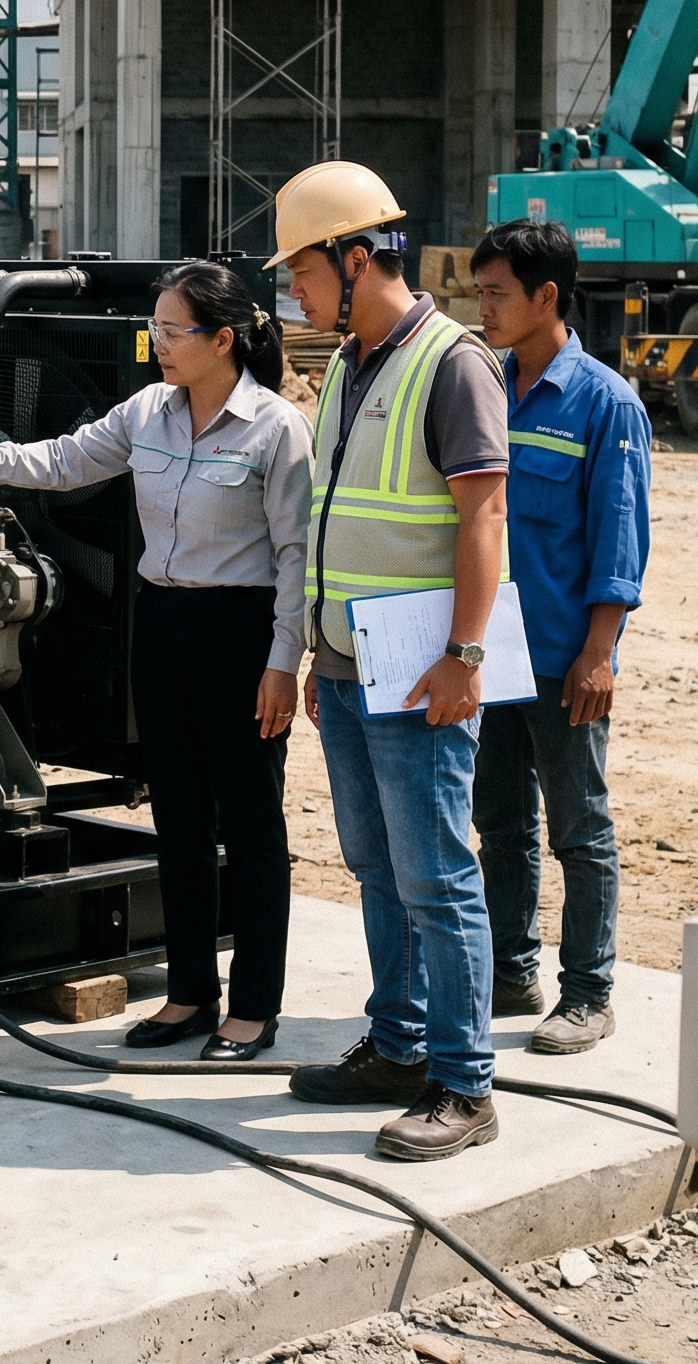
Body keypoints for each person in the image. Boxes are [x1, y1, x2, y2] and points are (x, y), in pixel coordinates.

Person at [0, 261, 310, 1061]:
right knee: (179, 819)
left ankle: (254, 1009)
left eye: (173, 330)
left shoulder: (276, 428)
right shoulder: (148, 410)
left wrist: (284, 661)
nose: (158, 342)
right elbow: (64, 460)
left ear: (223, 340)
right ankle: (190, 994)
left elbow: (297, 554)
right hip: (162, 625)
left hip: (242, 633)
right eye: (156, 327)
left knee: (251, 825)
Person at [274, 162, 511, 1163]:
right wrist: (316, 654)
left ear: (355, 256)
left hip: (420, 670)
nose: (294, 291)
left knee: (436, 877)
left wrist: (465, 653)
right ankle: (399, 1045)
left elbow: (484, 516)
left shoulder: (450, 363)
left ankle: (464, 1083)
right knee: (377, 869)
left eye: (302, 270)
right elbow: (336, 516)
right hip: (348, 664)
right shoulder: (345, 364)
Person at [469, 219, 650, 1056]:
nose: (483, 309)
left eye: (496, 294)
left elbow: (619, 538)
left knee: (580, 827)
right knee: (500, 823)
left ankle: (588, 993)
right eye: (479, 292)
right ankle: (512, 972)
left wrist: (599, 653)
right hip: (490, 652)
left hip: (564, 657)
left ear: (546, 296)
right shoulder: (485, 387)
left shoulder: (605, 402)